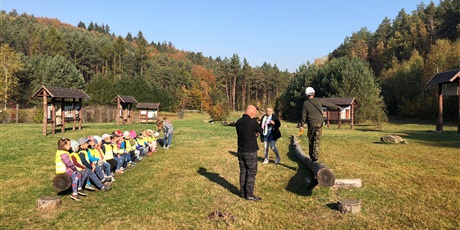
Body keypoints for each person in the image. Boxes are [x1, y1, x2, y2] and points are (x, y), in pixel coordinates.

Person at [300, 87, 340, 162]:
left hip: (311, 124)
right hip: (319, 123)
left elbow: (303, 116)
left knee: (311, 139)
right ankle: (316, 156)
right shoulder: (319, 100)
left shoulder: (305, 103)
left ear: (306, 95)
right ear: (314, 93)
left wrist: (302, 125)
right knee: (317, 139)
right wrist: (337, 107)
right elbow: (329, 105)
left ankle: (311, 155)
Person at [235, 105, 264, 201]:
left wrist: (253, 134)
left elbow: (245, 134)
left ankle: (243, 193)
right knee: (251, 172)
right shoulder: (253, 122)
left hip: (240, 150)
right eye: (254, 114)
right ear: (251, 113)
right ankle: (250, 194)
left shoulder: (238, 122)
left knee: (243, 171)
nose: (254, 115)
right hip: (250, 151)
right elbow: (262, 131)